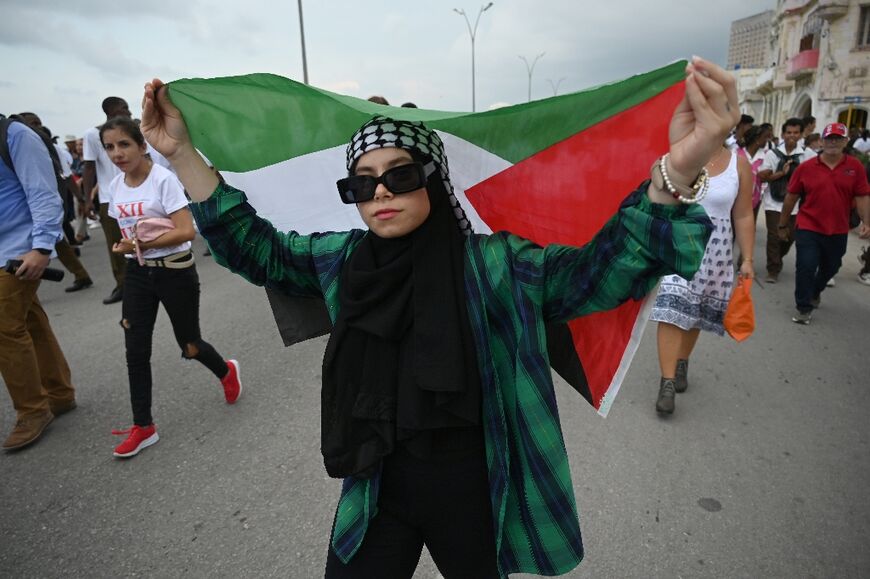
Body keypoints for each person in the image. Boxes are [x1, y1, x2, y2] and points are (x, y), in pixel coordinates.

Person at [141, 56, 738, 577]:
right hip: (376, 487)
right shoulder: (343, 262)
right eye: (363, 184)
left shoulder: (497, 266)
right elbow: (257, 248)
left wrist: (679, 170)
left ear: (433, 178)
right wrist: (180, 153)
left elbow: (600, 272)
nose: (381, 193)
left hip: (477, 489)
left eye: (400, 175)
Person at [98, 117, 242, 458]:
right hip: (137, 272)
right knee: (135, 349)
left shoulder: (163, 181)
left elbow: (185, 232)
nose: (116, 153)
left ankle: (226, 370)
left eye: (123, 144)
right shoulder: (115, 186)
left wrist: (140, 244)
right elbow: (129, 232)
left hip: (174, 272)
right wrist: (127, 246)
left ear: (141, 145)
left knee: (189, 344)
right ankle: (143, 426)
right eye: (109, 147)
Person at [650, 143, 755, 414]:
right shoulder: (678, 157)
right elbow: (654, 199)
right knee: (672, 308)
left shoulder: (738, 165)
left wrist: (747, 259)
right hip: (679, 247)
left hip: (716, 251)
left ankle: (682, 360)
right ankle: (668, 382)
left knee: (695, 310)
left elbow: (743, 214)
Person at [0, 115, 77, 451]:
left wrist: (43, 246)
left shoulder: (15, 136)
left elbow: (43, 191)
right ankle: (58, 394)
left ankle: (32, 410)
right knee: (29, 321)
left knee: (4, 328)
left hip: (20, 248)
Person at [778, 123, 870, 324]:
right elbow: (791, 197)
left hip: (838, 229)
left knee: (832, 266)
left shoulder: (855, 168)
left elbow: (862, 196)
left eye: (838, 139)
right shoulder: (806, 167)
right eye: (829, 139)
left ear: (846, 141)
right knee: (806, 266)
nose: (833, 143)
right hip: (808, 226)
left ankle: (815, 291)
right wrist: (783, 223)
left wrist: (867, 222)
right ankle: (803, 307)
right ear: (822, 141)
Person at [757, 118, 816, 283]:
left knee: (790, 237)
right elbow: (763, 176)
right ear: (783, 134)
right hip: (773, 202)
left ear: (801, 134)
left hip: (797, 204)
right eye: (789, 132)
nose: (792, 136)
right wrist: (781, 173)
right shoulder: (772, 154)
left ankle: (778, 258)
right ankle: (773, 269)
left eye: (796, 133)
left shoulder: (808, 155)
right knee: (774, 235)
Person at [737, 125, 766, 222]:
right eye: (764, 137)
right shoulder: (737, 154)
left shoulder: (765, 156)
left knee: (750, 223)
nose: (767, 140)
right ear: (757, 139)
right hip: (736, 197)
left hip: (756, 198)